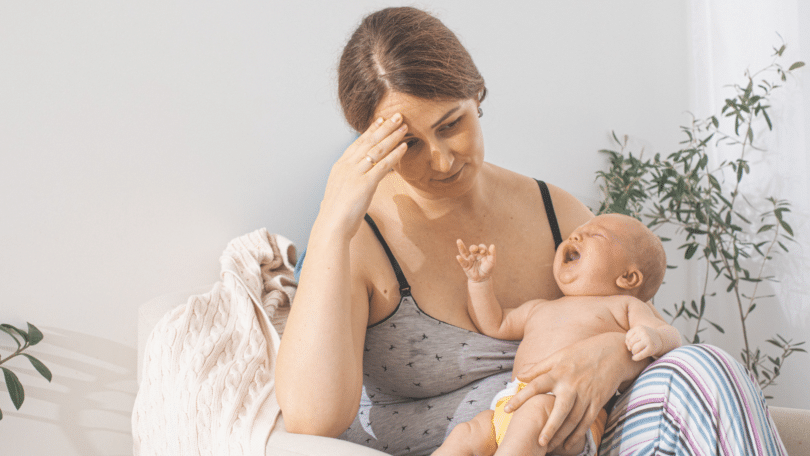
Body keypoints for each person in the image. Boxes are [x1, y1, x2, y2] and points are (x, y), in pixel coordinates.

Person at [275, 6, 788, 456]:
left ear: (476, 95)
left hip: (580, 440)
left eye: (452, 123)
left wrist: (611, 356)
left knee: (707, 367)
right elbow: (311, 420)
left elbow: (650, 333)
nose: (443, 158)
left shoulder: (555, 213)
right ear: (369, 143)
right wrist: (332, 220)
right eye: (408, 143)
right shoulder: (357, 237)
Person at [434, 213, 681, 456]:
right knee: (466, 433)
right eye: (577, 231)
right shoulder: (540, 307)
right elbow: (494, 323)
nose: (575, 235)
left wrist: (654, 338)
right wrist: (479, 283)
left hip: (571, 417)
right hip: (511, 405)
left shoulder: (624, 307)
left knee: (533, 414)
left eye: (595, 234)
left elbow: (671, 336)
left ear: (627, 277)